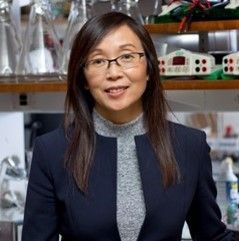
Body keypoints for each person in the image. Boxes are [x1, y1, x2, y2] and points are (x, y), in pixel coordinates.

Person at [22, 12, 234, 241]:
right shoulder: (51, 151)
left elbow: (212, 237)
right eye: (98, 61)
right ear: (83, 77)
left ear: (149, 68)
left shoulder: (189, 146)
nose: (114, 73)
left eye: (127, 56)